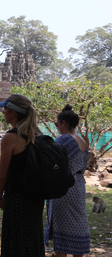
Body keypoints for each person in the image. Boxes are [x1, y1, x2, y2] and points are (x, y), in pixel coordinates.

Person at [0, 94, 44, 257]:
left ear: (13, 112)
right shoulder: (38, 135)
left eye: (5, 109)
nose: (3, 112)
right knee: (32, 239)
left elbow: (2, 175)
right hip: (36, 197)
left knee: (15, 242)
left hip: (16, 198)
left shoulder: (11, 138)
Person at [44, 104, 90, 257]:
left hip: (64, 188)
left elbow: (51, 164)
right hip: (78, 186)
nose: (57, 127)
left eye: (57, 123)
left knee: (61, 227)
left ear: (63, 122)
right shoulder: (83, 141)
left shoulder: (63, 139)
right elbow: (83, 168)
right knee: (78, 224)